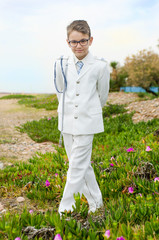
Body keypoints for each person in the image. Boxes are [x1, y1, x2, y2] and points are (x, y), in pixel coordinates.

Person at [54, 20, 110, 215]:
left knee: (76, 167)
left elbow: (102, 95)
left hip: (88, 122)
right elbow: (60, 91)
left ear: (90, 40)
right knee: (81, 165)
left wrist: (87, 110)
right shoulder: (60, 63)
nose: (78, 46)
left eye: (83, 41)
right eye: (74, 42)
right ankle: (96, 202)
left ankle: (66, 209)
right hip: (66, 122)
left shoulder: (100, 67)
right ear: (68, 42)